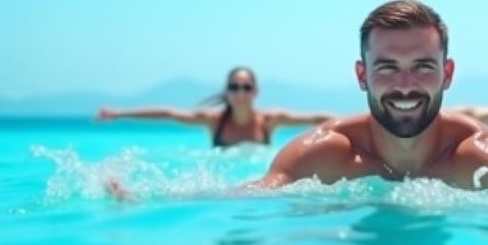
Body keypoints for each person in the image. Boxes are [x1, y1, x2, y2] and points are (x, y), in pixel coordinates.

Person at [237, 0, 488, 193]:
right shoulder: (320, 156)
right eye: (387, 68)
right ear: (361, 75)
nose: (405, 85)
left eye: (422, 67)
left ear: (447, 74)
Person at [97, 67, 333, 147]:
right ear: (227, 92)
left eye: (246, 87)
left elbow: (316, 118)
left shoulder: (270, 120)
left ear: (255, 92)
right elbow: (168, 113)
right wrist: (119, 113)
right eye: (234, 86)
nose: (240, 92)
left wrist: (365, 120)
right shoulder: (213, 121)